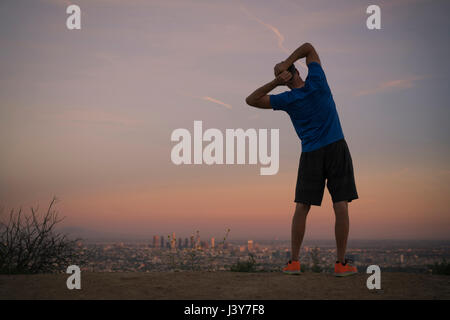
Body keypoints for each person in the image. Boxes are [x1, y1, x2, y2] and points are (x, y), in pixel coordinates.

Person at [245, 42, 359, 277]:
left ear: (287, 77)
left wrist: (276, 81)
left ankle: (294, 262)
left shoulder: (288, 100)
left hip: (311, 154)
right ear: (298, 71)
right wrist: (286, 65)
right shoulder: (318, 81)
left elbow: (252, 99)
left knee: (302, 207)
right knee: (341, 206)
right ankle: (341, 264)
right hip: (337, 146)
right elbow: (309, 48)